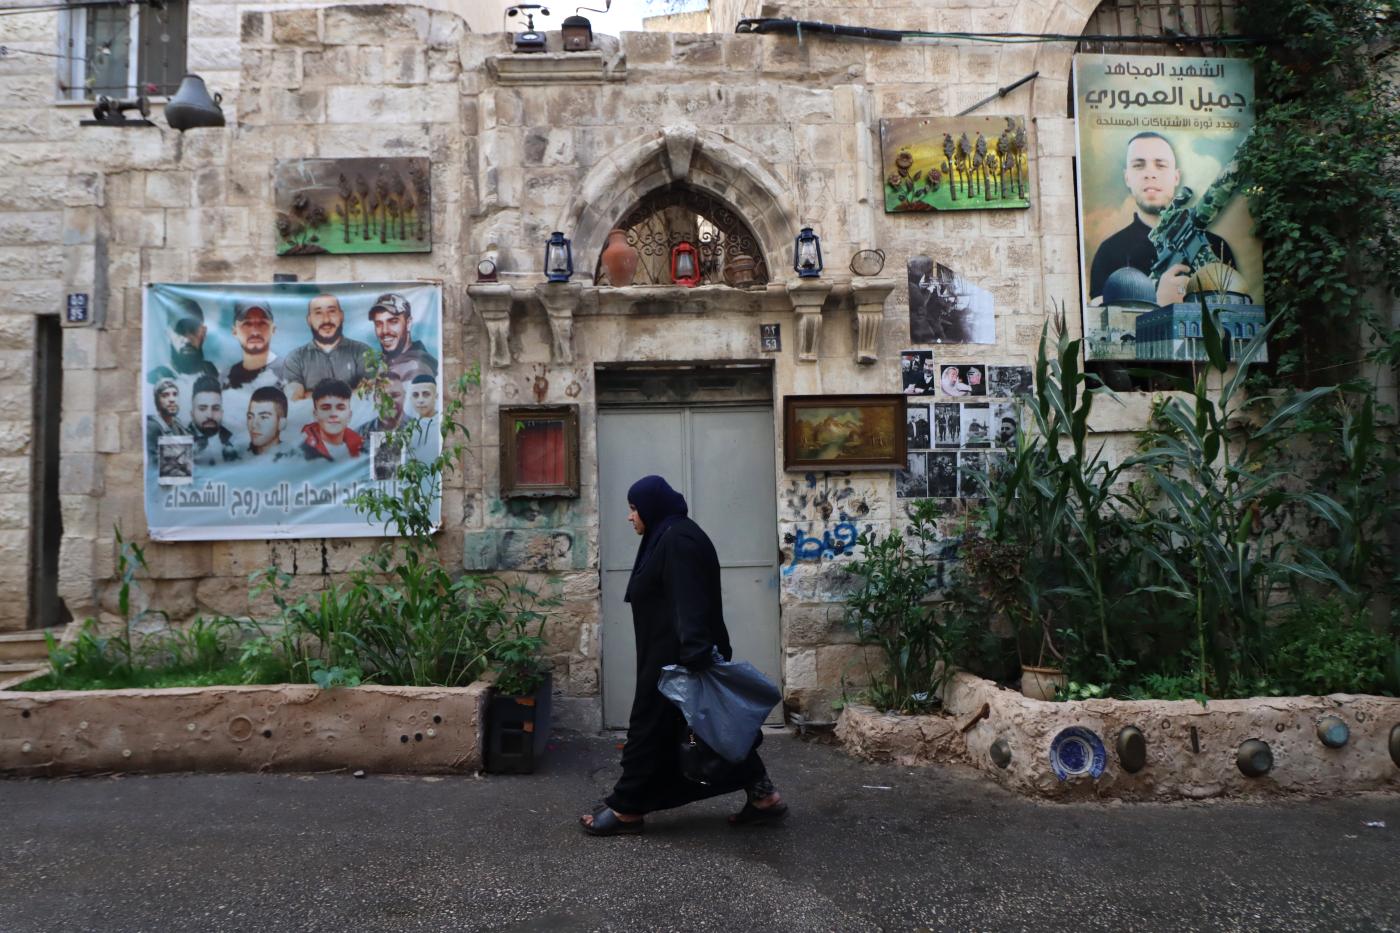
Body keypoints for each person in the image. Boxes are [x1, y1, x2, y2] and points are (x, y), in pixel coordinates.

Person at [580, 475, 786, 836]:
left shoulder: (678, 539)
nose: (630, 517)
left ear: (651, 506)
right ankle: (763, 797)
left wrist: (693, 659)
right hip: (671, 658)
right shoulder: (670, 535)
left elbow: (690, 600)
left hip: (678, 662)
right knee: (708, 733)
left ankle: (627, 808)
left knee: (652, 730)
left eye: (633, 508)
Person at [1088, 132, 1236, 307]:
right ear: (1127, 177)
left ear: (1176, 177)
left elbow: (1237, 312)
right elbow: (1102, 322)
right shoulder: (1109, 251)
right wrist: (1158, 303)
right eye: (1138, 165)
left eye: (1160, 165)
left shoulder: (1217, 247)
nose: (1150, 174)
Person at [282, 293, 373, 401]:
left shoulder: (362, 351)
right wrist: (351, 394)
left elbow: (370, 393)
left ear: (341, 316)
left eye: (332, 311)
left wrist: (312, 396)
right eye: (318, 313)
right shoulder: (295, 358)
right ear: (309, 320)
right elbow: (294, 401)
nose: (326, 320)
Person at [368, 292, 438, 376]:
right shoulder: (386, 362)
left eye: (393, 322)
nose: (385, 331)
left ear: (408, 323)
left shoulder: (418, 368)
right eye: (378, 324)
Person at [224, 302, 285, 390]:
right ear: (234, 331)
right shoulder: (225, 378)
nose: (255, 332)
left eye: (262, 323)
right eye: (247, 324)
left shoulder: (290, 373)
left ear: (273, 329)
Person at [300, 379, 364, 461]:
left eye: (340, 408)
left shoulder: (363, 446)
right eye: (326, 408)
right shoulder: (299, 454)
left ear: (349, 415)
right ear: (315, 415)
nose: (333, 414)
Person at [158, 296, 217, 379]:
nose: (187, 339)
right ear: (168, 335)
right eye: (180, 330)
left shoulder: (221, 377)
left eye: (193, 329)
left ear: (203, 332)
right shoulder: (153, 381)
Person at [187, 375, 241, 466]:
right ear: (192, 413)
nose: (210, 415)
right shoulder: (176, 442)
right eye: (202, 408)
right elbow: (176, 479)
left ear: (222, 412)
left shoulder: (235, 440)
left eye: (215, 408)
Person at [245, 386, 296, 459]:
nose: (253, 425)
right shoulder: (238, 455)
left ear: (282, 423)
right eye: (250, 417)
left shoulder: (294, 459)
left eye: (263, 417)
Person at [145, 378, 189, 460]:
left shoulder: (178, 425)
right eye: (165, 395)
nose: (172, 400)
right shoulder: (152, 427)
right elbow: (152, 465)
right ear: (157, 401)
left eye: (175, 394)